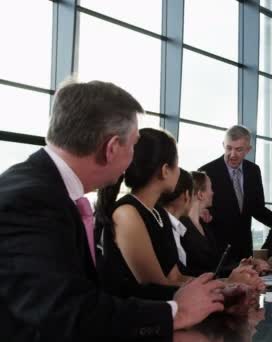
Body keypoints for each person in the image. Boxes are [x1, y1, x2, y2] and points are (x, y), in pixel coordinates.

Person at [0, 80, 224, 340]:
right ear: (112, 148)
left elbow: (91, 296)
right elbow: (65, 313)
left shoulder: (46, 191)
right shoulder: (31, 201)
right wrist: (178, 312)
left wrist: (189, 300)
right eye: (132, 146)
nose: (132, 159)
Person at [96, 128, 192, 298]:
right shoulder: (127, 214)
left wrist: (227, 283)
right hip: (134, 319)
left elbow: (175, 277)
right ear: (165, 170)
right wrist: (219, 291)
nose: (179, 170)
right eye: (177, 163)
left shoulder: (158, 212)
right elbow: (156, 288)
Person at [163, 169, 265, 291]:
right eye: (210, 188)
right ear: (200, 194)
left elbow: (215, 264)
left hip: (211, 289)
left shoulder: (205, 225)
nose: (213, 192)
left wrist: (239, 267)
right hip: (196, 293)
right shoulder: (180, 227)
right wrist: (228, 280)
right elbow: (191, 272)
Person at [198, 125, 272, 265]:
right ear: (223, 145)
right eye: (229, 148)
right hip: (217, 249)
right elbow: (198, 208)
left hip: (244, 249)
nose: (232, 154)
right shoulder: (207, 171)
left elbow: (257, 208)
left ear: (248, 150)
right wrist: (201, 211)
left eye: (238, 149)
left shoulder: (253, 171)